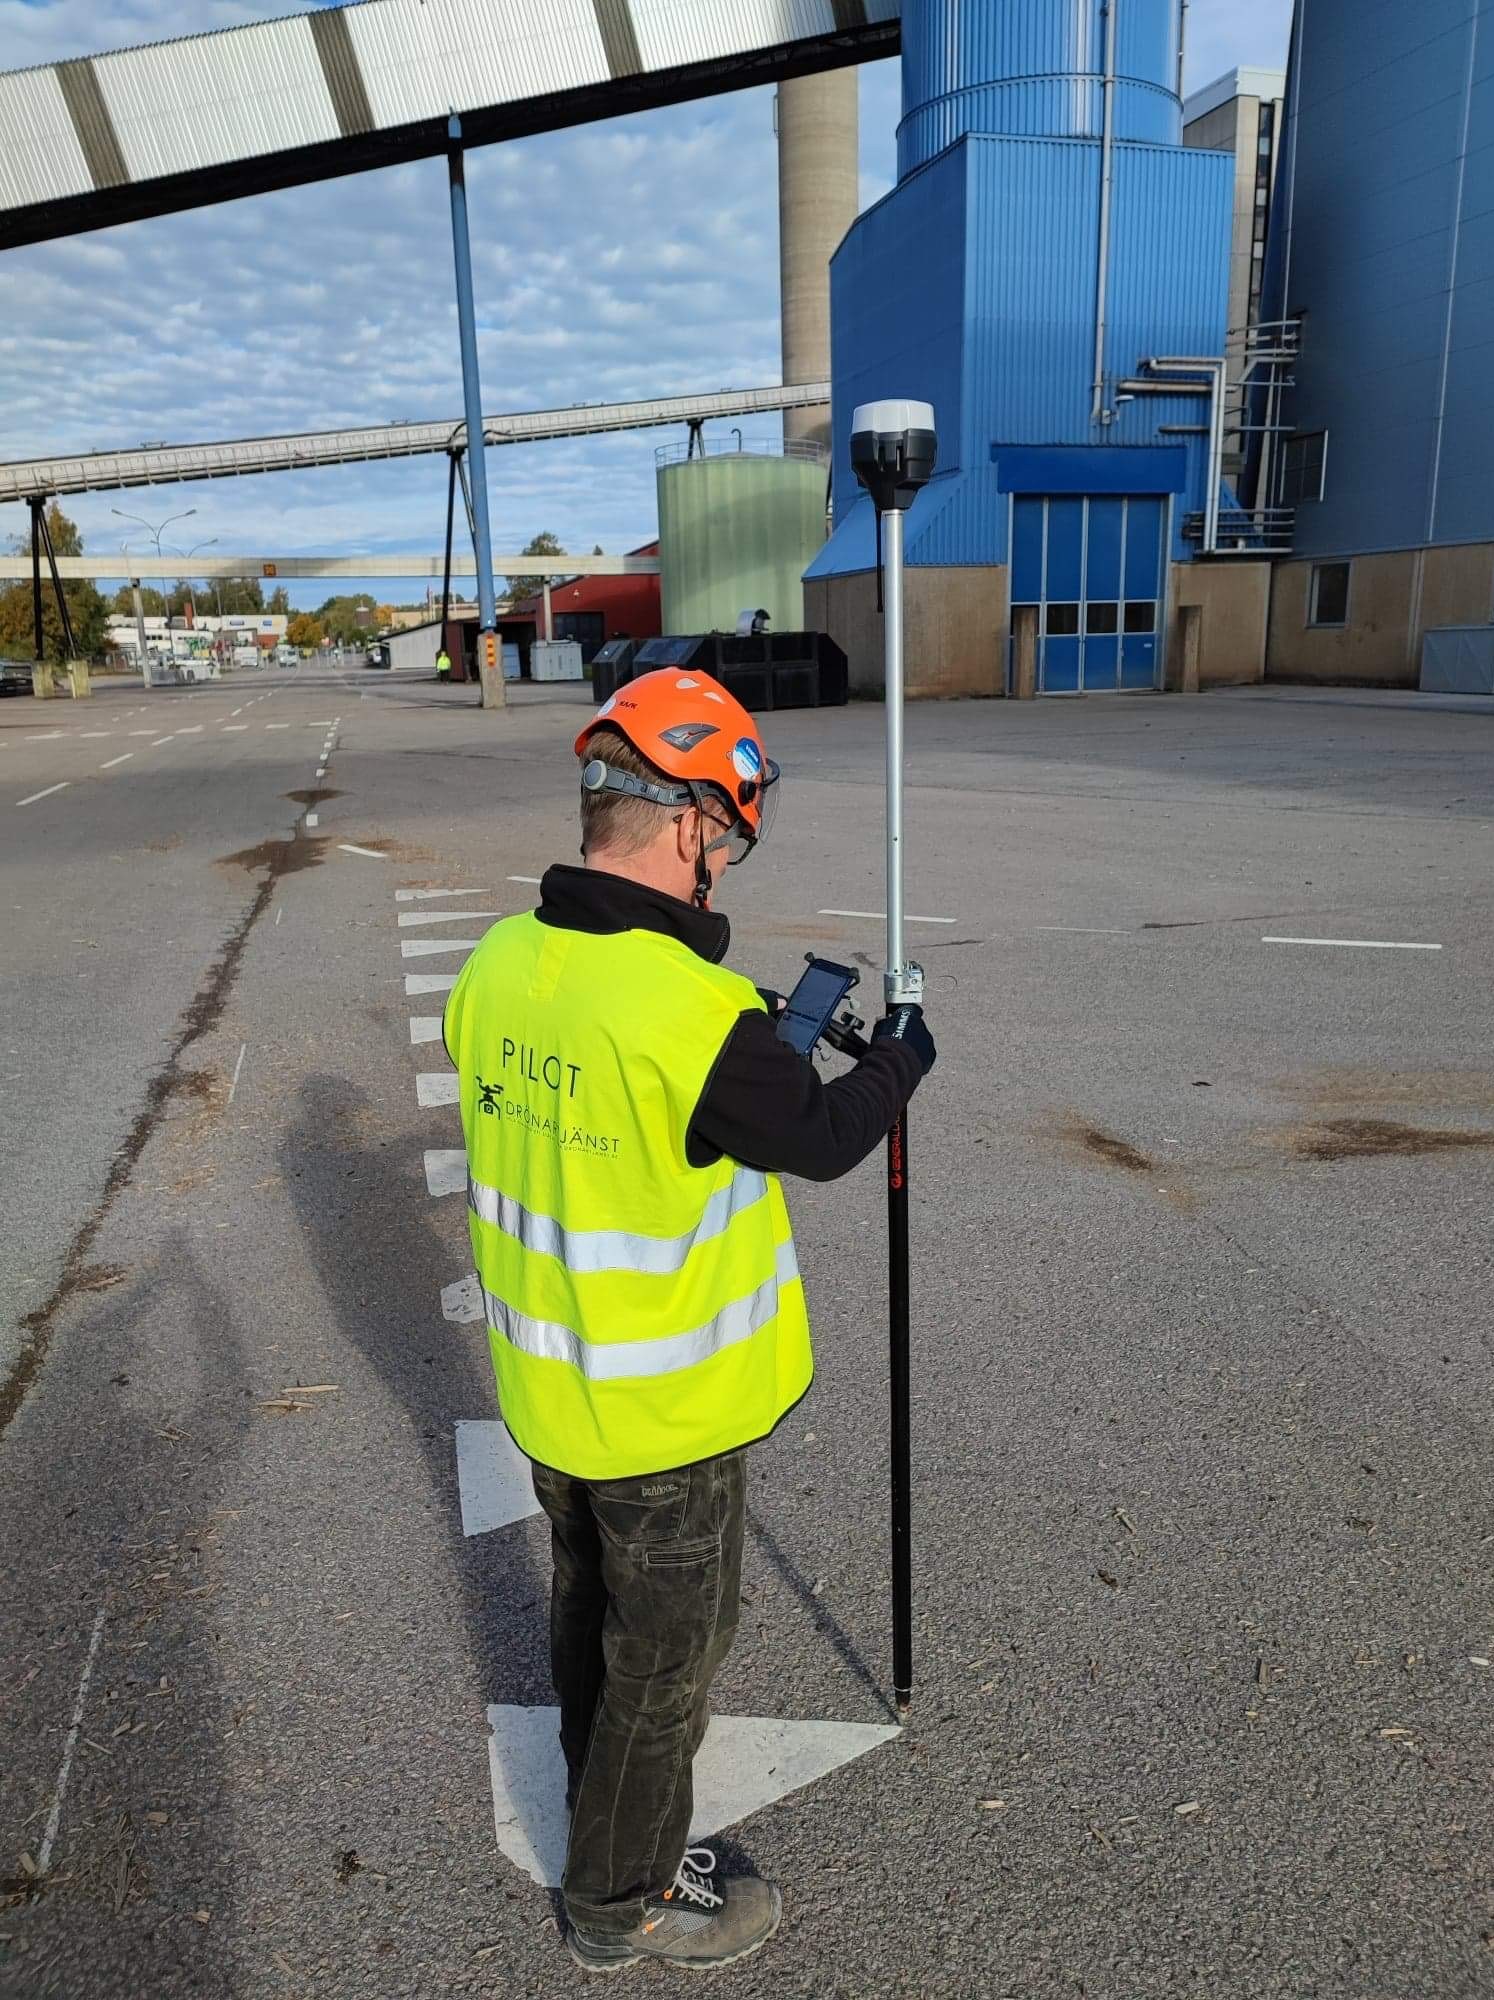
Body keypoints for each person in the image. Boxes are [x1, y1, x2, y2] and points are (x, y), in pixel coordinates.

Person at [443, 669, 936, 1973]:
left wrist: (754, 1054)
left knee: (588, 1612)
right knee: (668, 1660)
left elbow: (631, 1107)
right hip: (663, 1420)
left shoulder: (501, 963)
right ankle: (622, 1902)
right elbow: (821, 1135)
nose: (725, 856)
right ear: (685, 824)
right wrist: (901, 1057)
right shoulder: (697, 1015)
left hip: (554, 1398)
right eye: (726, 828)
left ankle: (607, 1826)